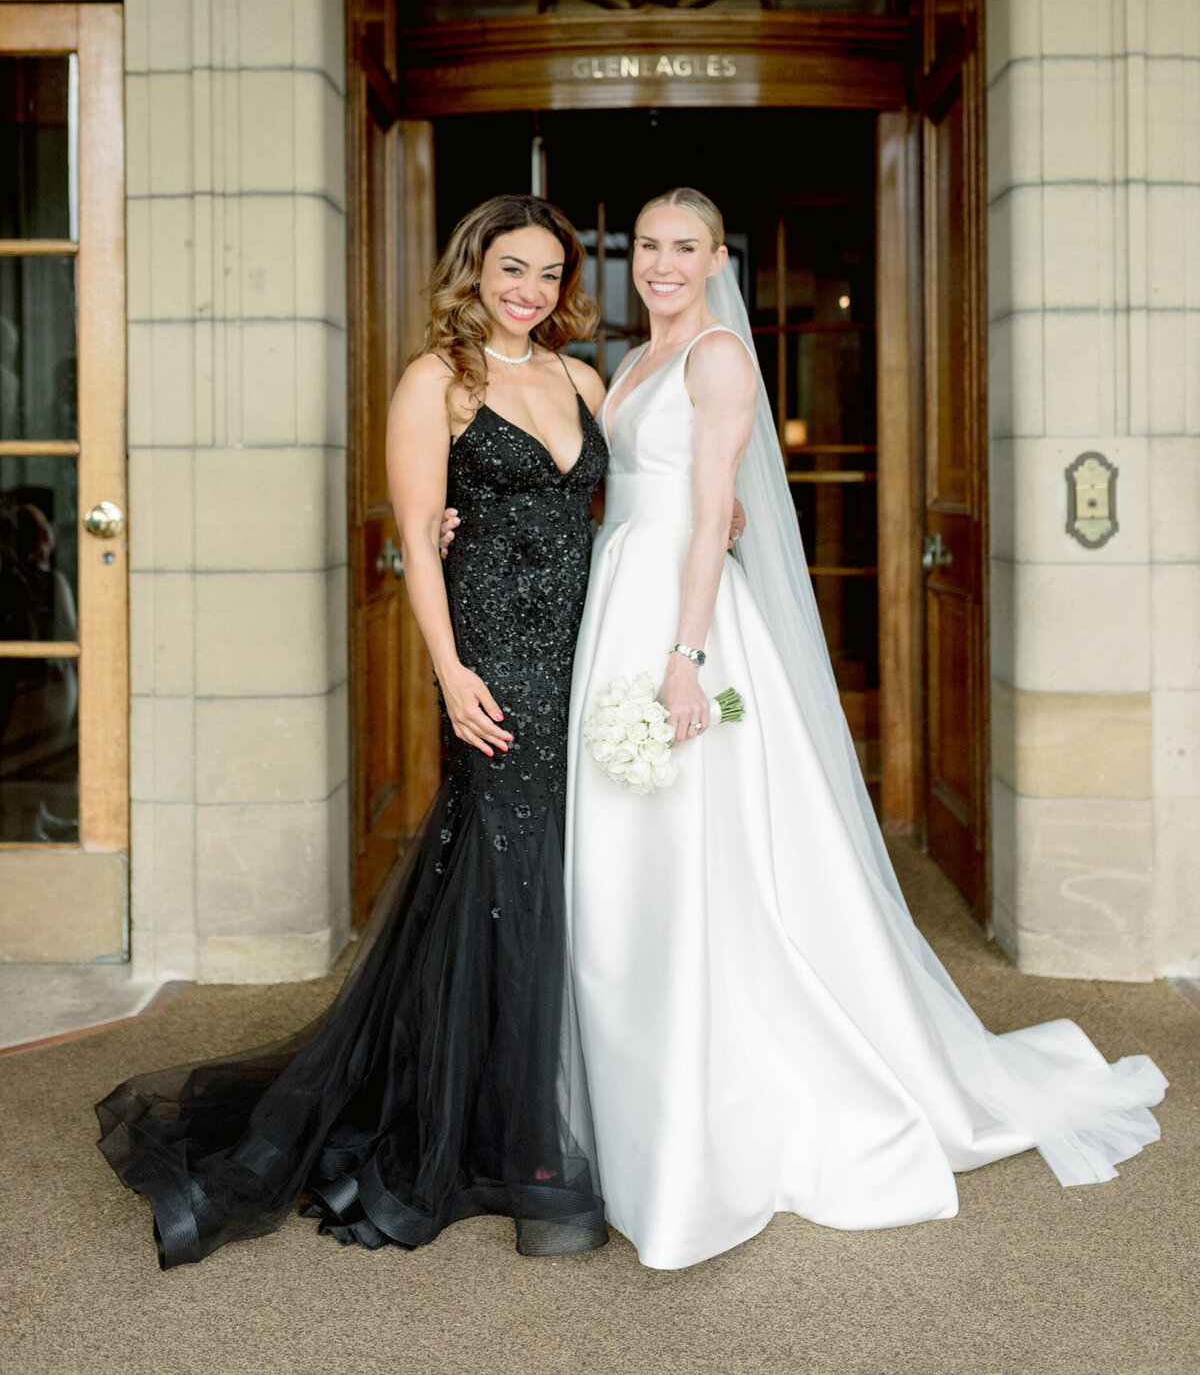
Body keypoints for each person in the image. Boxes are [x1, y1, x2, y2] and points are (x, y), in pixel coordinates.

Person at [565, 185, 1167, 1271]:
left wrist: (686, 658)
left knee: (711, 858)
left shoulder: (714, 357)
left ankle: (718, 1109)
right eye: (648, 244)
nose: (660, 262)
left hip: (681, 627)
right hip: (624, 596)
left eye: (683, 246)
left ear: (715, 260)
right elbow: (646, 497)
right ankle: (638, 1096)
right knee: (629, 857)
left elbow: (713, 517)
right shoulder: (630, 365)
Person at [97, 194, 611, 1266]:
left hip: (588, 652)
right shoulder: (438, 381)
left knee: (545, 874)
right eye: (510, 268)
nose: (529, 291)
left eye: (549, 274)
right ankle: (528, 1156)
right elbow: (420, 544)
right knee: (512, 879)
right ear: (473, 270)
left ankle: (510, 1099)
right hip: (495, 660)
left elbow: (629, 507)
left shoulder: (583, 379)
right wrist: (451, 671)